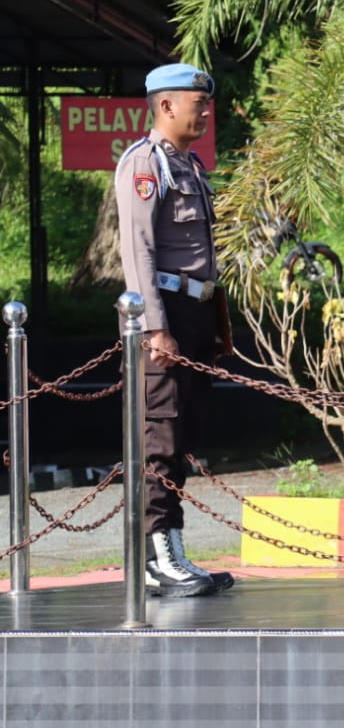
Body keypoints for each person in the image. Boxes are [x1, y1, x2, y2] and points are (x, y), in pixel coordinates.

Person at [115, 62, 234, 597]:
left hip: (194, 311)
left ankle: (173, 550)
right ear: (166, 105)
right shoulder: (146, 163)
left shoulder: (189, 165)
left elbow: (201, 253)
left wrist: (214, 322)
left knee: (183, 435)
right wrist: (155, 329)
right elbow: (137, 250)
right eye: (198, 103)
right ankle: (154, 557)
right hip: (162, 312)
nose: (205, 112)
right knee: (159, 436)